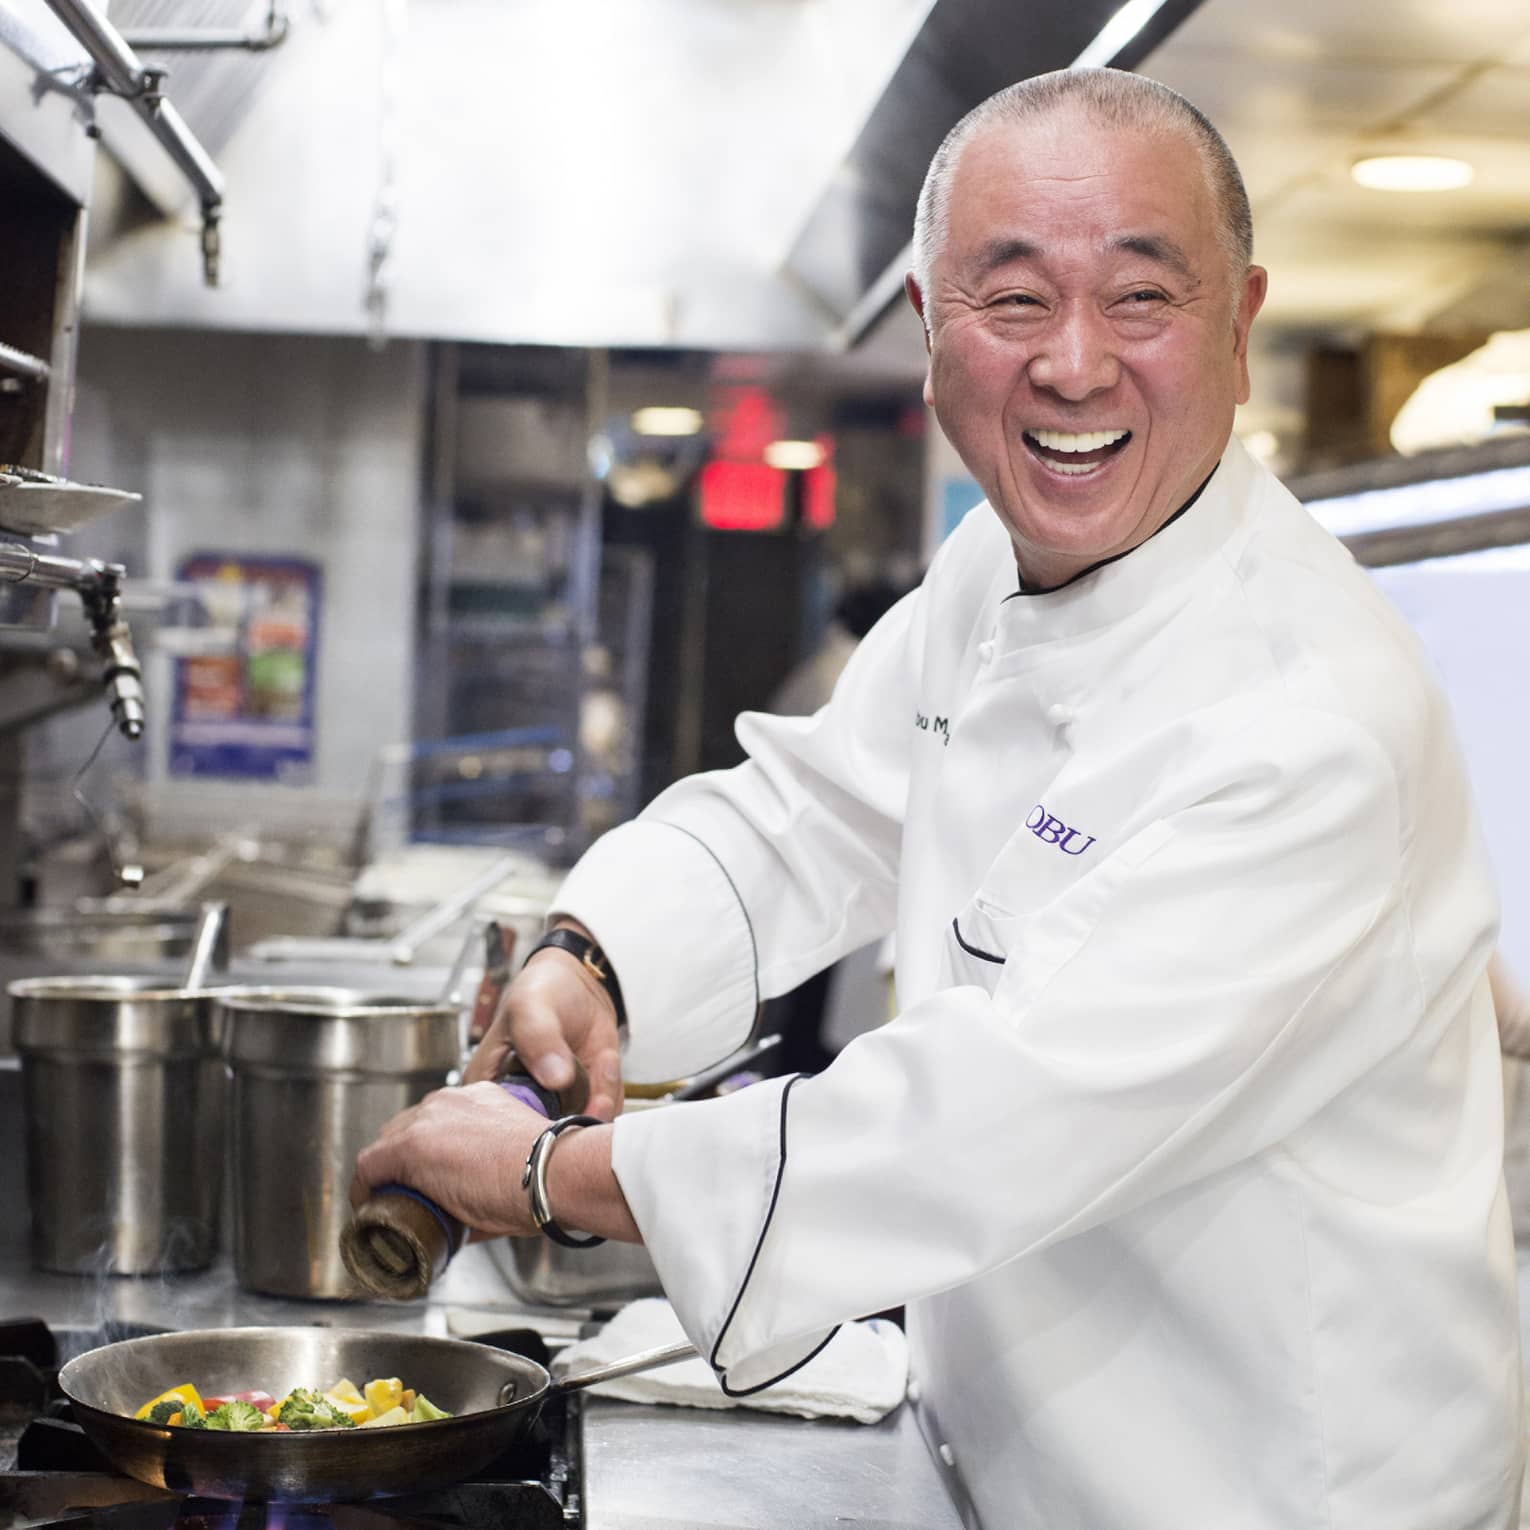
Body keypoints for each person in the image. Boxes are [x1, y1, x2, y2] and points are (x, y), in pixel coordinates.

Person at [353, 67, 1524, 1530]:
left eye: (1141, 300)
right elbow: (815, 812)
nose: (1074, 365)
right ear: (926, 329)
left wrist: (553, 1172)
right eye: (1012, 299)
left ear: (1237, 326)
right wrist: (594, 954)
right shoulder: (999, 566)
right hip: (1018, 1451)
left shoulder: (1308, 721)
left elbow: (992, 1114)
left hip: (1271, 1482)